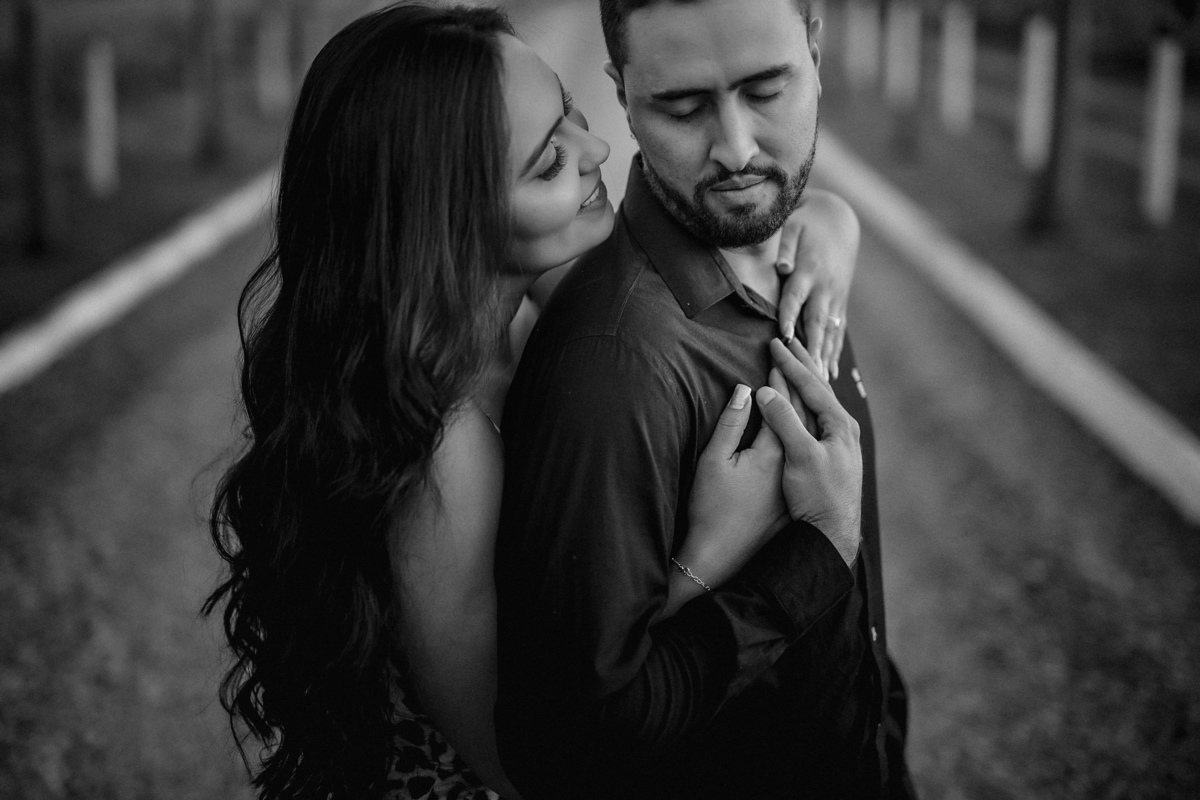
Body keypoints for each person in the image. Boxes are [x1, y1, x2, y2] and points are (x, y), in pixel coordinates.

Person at [204, 3, 863, 799]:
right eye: (549, 162)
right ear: (450, 218)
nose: (596, 152)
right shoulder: (441, 452)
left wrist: (831, 219)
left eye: (572, 114)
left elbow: (732, 232)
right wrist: (710, 552)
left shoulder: (517, 301)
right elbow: (538, 761)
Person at [494, 0, 917, 798]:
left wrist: (834, 215)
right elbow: (569, 741)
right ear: (622, 95)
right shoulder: (613, 370)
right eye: (683, 108)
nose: (737, 150)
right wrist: (817, 548)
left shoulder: (792, 246)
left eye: (765, 90)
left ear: (815, 48)